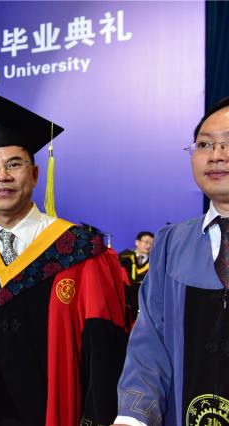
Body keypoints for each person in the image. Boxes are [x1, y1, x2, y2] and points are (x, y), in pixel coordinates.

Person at [0, 94, 127, 426]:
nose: (2, 176)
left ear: (36, 173)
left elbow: (105, 352)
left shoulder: (80, 251)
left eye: (14, 164)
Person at [114, 97, 229, 426]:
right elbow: (150, 344)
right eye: (204, 144)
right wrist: (133, 418)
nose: (216, 155)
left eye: (228, 143)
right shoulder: (171, 243)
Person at [118, 231, 154, 328]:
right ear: (137, 242)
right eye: (146, 242)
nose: (148, 246)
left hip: (144, 297)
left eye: (151, 243)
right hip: (125, 298)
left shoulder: (154, 261)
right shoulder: (124, 256)